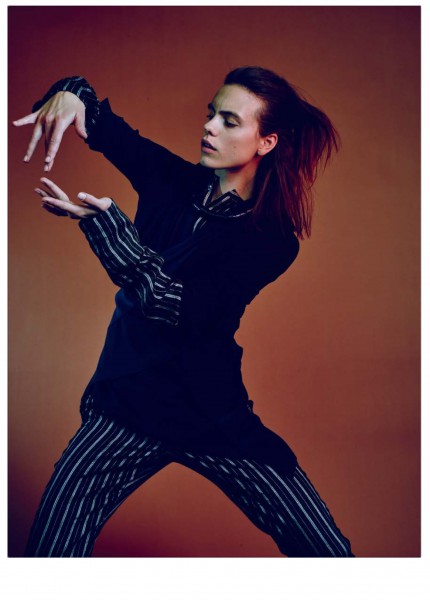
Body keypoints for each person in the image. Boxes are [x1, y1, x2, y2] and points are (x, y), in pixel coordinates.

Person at [13, 67, 354, 557]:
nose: (209, 127)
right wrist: (70, 96)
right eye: (211, 114)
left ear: (266, 142)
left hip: (209, 413)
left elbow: (172, 306)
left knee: (328, 553)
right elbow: (103, 124)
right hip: (126, 406)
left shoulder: (271, 241)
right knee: (49, 558)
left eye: (229, 121)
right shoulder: (172, 180)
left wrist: (108, 228)